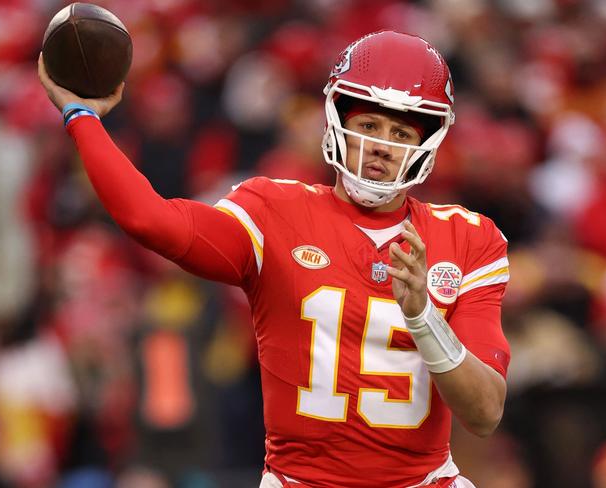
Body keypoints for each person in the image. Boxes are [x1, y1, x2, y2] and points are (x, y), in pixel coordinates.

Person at [38, 30, 510, 488]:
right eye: (368, 125)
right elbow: (151, 220)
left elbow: (485, 413)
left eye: (400, 131)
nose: (382, 146)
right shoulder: (274, 211)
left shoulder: (468, 239)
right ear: (337, 121)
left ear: (427, 142)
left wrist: (423, 317)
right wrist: (83, 117)